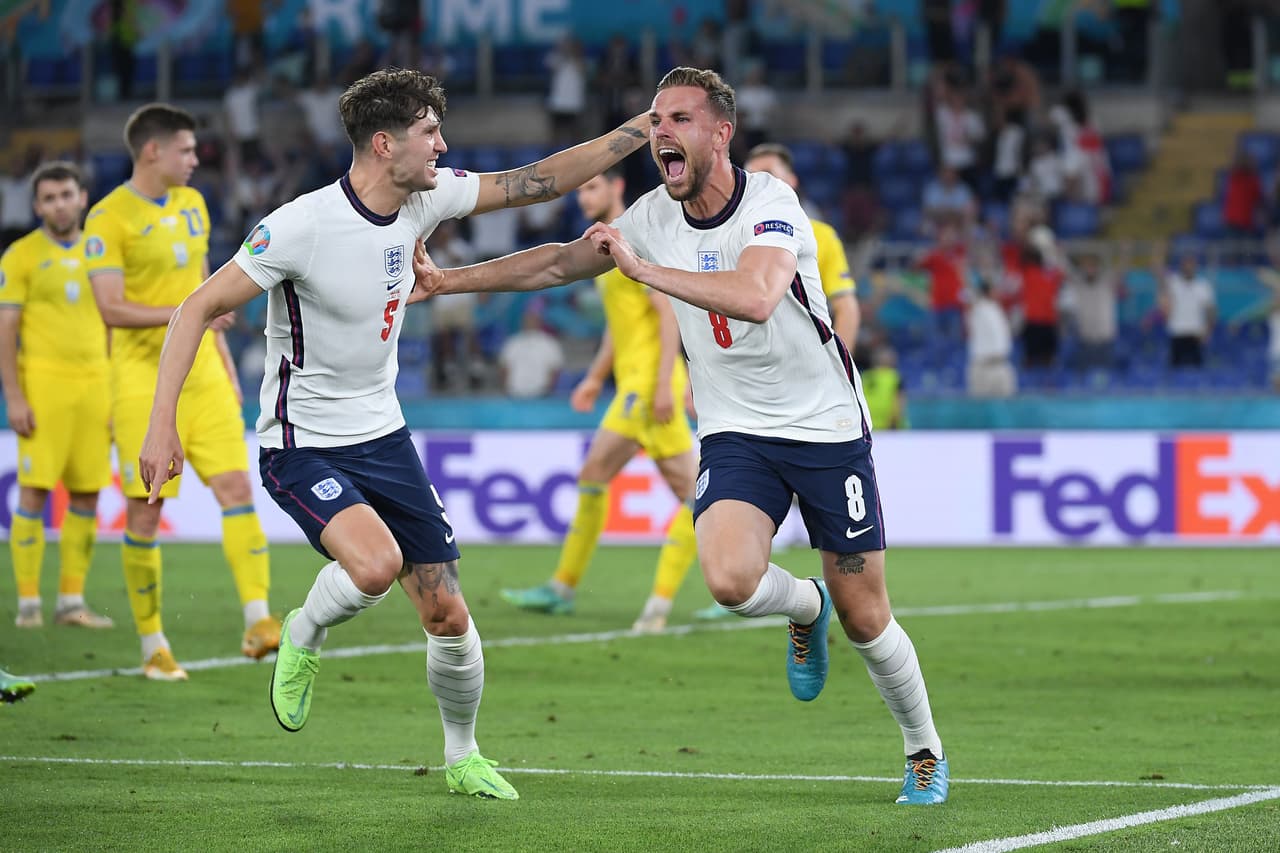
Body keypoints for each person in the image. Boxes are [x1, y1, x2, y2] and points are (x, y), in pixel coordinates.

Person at [415, 66, 948, 805]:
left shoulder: (772, 203)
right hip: (736, 429)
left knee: (868, 612)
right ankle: (803, 607)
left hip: (825, 427)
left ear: (721, 133)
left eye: (680, 119)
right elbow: (559, 261)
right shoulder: (651, 216)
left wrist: (644, 269)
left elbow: (759, 297)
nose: (662, 131)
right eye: (656, 120)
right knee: (730, 581)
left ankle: (923, 749)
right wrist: (449, 280)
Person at [137, 68, 652, 799]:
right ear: (385, 144)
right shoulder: (300, 227)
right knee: (374, 564)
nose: (443, 144)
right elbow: (194, 307)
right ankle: (304, 633)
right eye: (429, 132)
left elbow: (540, 180)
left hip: (385, 436)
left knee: (448, 611)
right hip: (302, 442)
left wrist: (643, 127)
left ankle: (464, 755)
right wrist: (162, 429)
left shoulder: (425, 197)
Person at [85, 104, 280, 681]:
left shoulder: (193, 205)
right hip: (143, 382)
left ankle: (258, 619)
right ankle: (153, 646)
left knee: (237, 486)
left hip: (204, 377)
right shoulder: (108, 219)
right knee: (147, 512)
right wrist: (188, 315)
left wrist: (219, 357)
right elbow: (110, 308)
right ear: (153, 151)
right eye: (187, 150)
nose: (196, 160)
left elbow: (200, 283)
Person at [500, 169, 699, 633]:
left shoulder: (639, 240)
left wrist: (666, 385)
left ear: (618, 188)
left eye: (593, 187)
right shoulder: (606, 246)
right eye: (581, 189)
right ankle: (571, 589)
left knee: (692, 498)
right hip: (634, 386)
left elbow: (666, 313)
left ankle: (660, 601)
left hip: (649, 389)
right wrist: (593, 377)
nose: (584, 195)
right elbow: (621, 323)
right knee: (668, 493)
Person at [0, 162, 114, 630]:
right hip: (44, 387)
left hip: (97, 387)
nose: (59, 204)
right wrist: (15, 396)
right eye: (48, 198)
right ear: (36, 206)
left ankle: (71, 601)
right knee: (34, 491)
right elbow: (6, 330)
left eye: (66, 194)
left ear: (82, 197)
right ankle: (28, 602)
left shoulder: (103, 254)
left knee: (86, 494)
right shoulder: (21, 255)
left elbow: (113, 323)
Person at [743, 144, 860, 349]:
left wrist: (838, 367)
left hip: (804, 363)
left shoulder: (820, 236)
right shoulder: (730, 237)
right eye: (751, 177)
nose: (758, 183)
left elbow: (847, 309)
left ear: (791, 181)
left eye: (768, 175)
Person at [1158, 250, 1216, 368]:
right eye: (1186, 265)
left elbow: (1210, 310)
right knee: (1174, 370)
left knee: (1197, 370)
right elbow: (1159, 279)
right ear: (1181, 266)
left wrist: (1208, 331)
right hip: (1176, 332)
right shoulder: (1173, 282)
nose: (1189, 268)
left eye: (1191, 265)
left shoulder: (1203, 286)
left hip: (1195, 333)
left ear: (1195, 267)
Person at [496, 303, 563, 398]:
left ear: (539, 321)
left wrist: (548, 390)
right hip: (515, 393)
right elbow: (504, 367)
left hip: (540, 394)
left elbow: (555, 369)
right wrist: (506, 388)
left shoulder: (549, 343)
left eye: (533, 319)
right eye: (527, 319)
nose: (530, 322)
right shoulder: (513, 342)